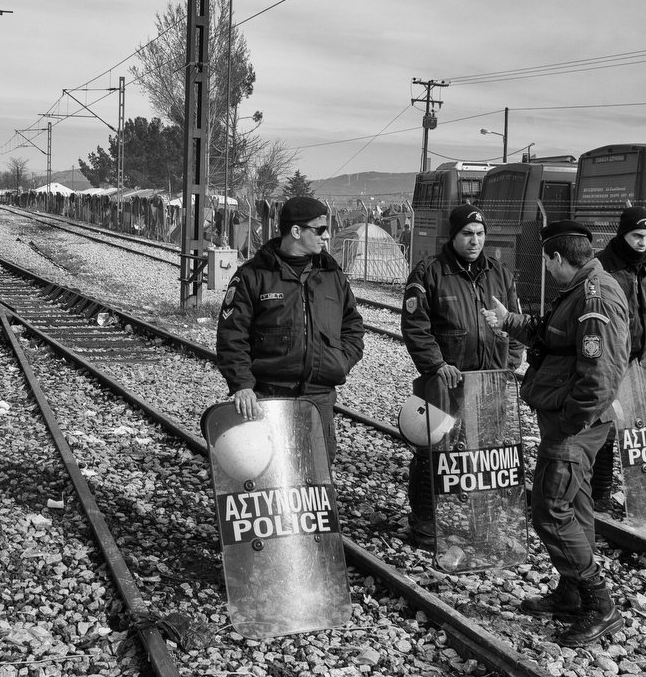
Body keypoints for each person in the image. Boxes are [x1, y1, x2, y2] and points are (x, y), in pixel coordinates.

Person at [482, 220, 630, 646]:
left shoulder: (593, 298)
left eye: (548, 263)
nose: (547, 271)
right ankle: (570, 593)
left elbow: (601, 377)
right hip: (572, 424)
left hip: (573, 427)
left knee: (550, 510)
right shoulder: (581, 289)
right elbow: (554, 336)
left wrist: (569, 423)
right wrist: (508, 320)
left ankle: (600, 604)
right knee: (576, 506)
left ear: (558, 259)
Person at [400, 203, 523, 547]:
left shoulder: (500, 273)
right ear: (453, 235)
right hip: (446, 382)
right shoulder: (429, 273)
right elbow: (416, 327)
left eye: (480, 234)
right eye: (467, 234)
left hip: (489, 383)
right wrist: (438, 365)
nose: (475, 241)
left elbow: (516, 325)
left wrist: (508, 365)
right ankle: (424, 520)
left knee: (484, 453)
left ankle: (482, 524)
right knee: (432, 451)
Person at [216, 196, 365, 464]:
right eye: (319, 230)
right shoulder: (253, 275)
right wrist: (242, 385)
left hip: (318, 397)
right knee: (269, 472)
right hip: (268, 396)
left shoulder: (332, 275)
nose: (328, 236)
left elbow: (352, 325)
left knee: (316, 479)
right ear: (296, 231)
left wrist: (340, 362)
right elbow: (231, 334)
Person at [591, 207, 646, 511]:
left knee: (640, 428)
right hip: (609, 361)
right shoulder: (602, 267)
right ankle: (598, 494)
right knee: (605, 427)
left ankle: (643, 493)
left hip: (640, 359)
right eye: (637, 236)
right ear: (623, 234)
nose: (643, 242)